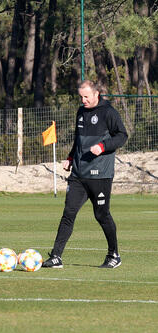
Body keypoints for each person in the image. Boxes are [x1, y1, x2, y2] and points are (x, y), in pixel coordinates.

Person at [43, 80, 128, 269]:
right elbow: (78, 139)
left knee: (101, 215)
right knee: (68, 213)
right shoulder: (81, 112)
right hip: (79, 175)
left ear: (96, 94)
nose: (83, 100)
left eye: (86, 97)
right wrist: (71, 157)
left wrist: (103, 146)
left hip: (100, 176)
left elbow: (122, 136)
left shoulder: (109, 113)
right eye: (81, 97)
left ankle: (114, 255)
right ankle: (56, 256)